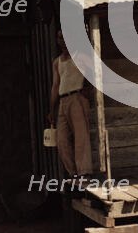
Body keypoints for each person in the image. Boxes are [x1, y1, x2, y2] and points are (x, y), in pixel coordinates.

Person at [47, 30, 93, 177]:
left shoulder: (81, 56)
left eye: (66, 37)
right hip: (62, 101)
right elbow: (55, 86)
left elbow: (95, 72)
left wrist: (88, 88)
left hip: (77, 97)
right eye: (60, 37)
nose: (63, 41)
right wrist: (51, 109)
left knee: (81, 137)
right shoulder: (57, 62)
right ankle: (73, 173)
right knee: (61, 141)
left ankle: (84, 173)